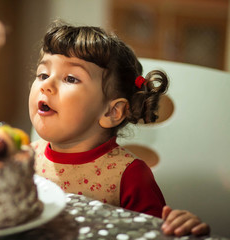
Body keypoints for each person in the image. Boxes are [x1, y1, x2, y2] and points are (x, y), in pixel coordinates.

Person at [28, 21, 210, 236]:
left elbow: (155, 233)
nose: (46, 84)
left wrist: (180, 228)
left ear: (112, 112)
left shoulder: (129, 176)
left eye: (70, 78)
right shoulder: (22, 158)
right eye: (43, 74)